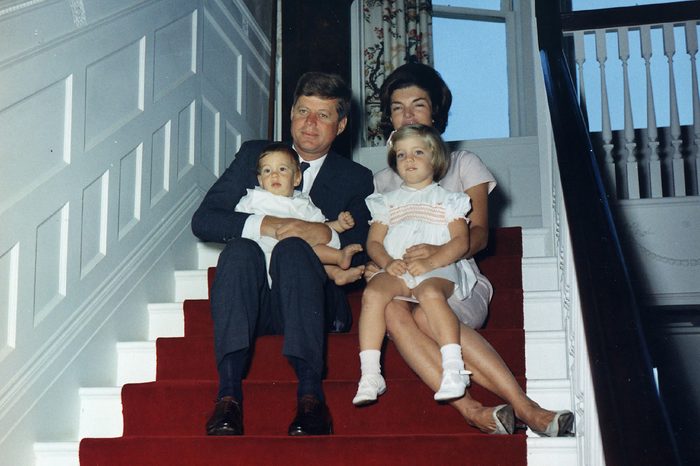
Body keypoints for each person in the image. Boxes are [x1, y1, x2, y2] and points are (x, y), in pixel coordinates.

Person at [370, 62, 574, 437]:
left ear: (436, 112)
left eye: (418, 105)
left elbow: (480, 234)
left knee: (426, 316)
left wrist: (440, 251)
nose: (407, 115)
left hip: (456, 278)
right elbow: (381, 241)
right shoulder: (383, 180)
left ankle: (525, 407)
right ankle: (471, 409)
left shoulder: (464, 163)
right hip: (406, 282)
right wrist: (380, 263)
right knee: (393, 310)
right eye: (398, 107)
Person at [191, 72, 374, 436]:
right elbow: (205, 220)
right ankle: (227, 398)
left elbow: (360, 244)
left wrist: (320, 231)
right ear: (290, 113)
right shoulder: (254, 155)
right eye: (303, 111)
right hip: (255, 300)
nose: (309, 123)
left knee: (292, 249)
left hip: (313, 301)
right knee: (240, 250)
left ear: (340, 126)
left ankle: (311, 399)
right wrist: (267, 224)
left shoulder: (356, 176)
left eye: (323, 115)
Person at [354, 124, 477, 406]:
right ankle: (371, 374)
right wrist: (387, 262)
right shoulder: (387, 202)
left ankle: (453, 368)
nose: (408, 160)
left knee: (429, 294)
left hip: (437, 267)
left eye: (417, 152)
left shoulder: (449, 201)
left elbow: (460, 241)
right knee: (373, 294)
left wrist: (432, 261)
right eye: (401, 155)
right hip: (399, 267)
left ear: (435, 158)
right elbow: (374, 242)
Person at [235, 143, 365, 286]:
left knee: (310, 251)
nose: (274, 175)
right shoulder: (254, 198)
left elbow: (319, 228)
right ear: (260, 180)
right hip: (261, 258)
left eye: (282, 169)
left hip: (295, 264)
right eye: (267, 171)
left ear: (297, 178)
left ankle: (338, 266)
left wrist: (339, 225)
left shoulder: (303, 203)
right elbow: (238, 224)